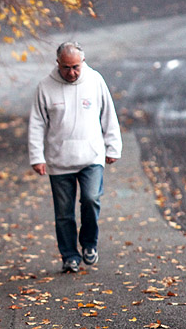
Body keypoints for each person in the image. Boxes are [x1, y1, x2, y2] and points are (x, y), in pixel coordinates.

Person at [28, 41, 122, 273]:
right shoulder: (45, 87)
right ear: (58, 64)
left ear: (83, 62)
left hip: (91, 156)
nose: (72, 72)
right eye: (66, 67)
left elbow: (108, 114)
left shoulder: (95, 80)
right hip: (59, 160)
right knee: (64, 213)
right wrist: (36, 157)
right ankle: (69, 255)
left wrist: (113, 147)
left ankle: (89, 244)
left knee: (91, 199)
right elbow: (37, 124)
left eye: (76, 67)